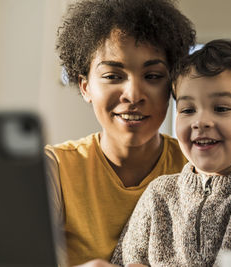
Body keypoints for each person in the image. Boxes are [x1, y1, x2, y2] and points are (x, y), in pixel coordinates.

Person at [110, 39, 231, 267]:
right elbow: (123, 262)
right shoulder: (159, 195)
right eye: (188, 110)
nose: (200, 122)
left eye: (221, 108)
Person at [44, 0, 196, 265]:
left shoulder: (196, 168)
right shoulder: (53, 169)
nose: (134, 95)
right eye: (113, 76)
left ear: (173, 85)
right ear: (85, 87)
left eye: (152, 76)